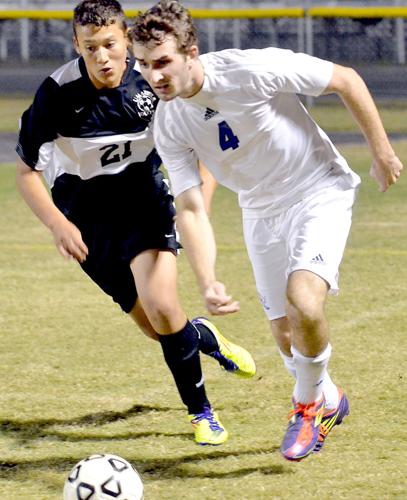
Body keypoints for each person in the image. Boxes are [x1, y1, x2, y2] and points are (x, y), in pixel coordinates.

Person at [130, 0, 403, 461]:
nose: (154, 76)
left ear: (190, 52)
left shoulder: (251, 69)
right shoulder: (169, 122)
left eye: (162, 62)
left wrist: (381, 151)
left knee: (304, 303)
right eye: (143, 65)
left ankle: (308, 408)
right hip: (259, 209)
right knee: (284, 335)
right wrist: (208, 278)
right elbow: (192, 206)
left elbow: (345, 80)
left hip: (318, 189)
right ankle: (331, 398)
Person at [15, 0, 256, 447]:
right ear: (76, 45)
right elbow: (27, 172)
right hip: (85, 222)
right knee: (154, 326)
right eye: (90, 48)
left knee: (163, 306)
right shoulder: (57, 93)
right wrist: (56, 224)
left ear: (126, 38)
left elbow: (201, 147)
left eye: (110, 44)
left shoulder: (152, 80)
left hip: (146, 203)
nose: (102, 56)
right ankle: (203, 336)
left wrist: (195, 209)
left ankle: (201, 413)